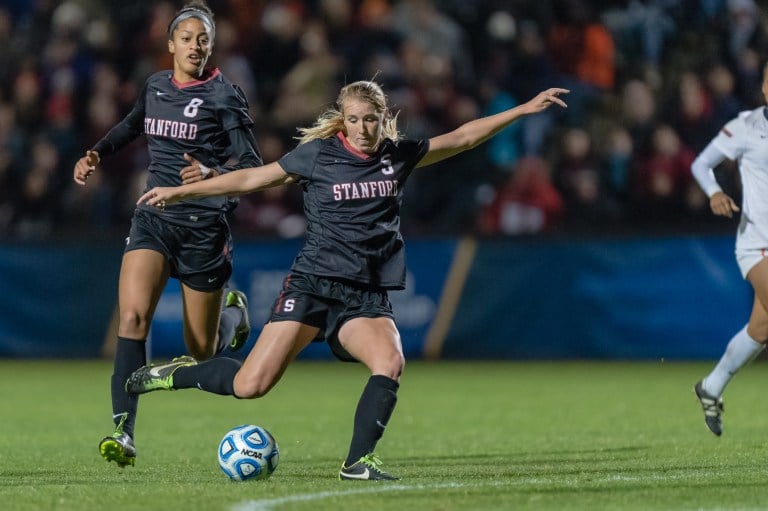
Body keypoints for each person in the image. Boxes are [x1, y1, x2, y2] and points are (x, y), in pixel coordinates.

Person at [126, 80, 568, 479]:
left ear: (383, 119)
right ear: (343, 120)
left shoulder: (399, 156)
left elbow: (464, 137)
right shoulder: (318, 155)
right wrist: (181, 191)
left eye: (370, 119)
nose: (362, 128)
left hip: (365, 296)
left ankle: (357, 462)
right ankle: (177, 374)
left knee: (390, 362)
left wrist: (522, 109)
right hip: (313, 286)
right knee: (249, 386)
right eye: (353, 119)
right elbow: (254, 178)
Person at [72, 0, 262, 468]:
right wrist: (96, 152)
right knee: (133, 318)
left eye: (203, 39)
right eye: (187, 38)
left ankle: (230, 319)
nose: (195, 45)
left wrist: (212, 170)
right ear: (171, 44)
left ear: (211, 46)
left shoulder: (225, 96)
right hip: (153, 218)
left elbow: (255, 166)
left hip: (203, 230)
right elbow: (133, 125)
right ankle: (125, 431)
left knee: (201, 349)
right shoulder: (156, 85)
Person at [691, 61, 768, 437]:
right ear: (765, 88)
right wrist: (715, 192)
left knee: (761, 329)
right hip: (758, 243)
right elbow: (701, 164)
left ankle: (712, 385)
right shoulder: (746, 127)